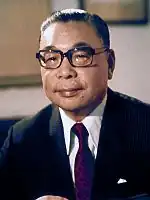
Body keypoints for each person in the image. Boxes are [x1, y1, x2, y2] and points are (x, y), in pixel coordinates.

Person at [0, 8, 150, 200]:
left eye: (80, 56)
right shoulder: (22, 139)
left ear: (110, 64)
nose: (65, 72)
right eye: (52, 58)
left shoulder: (145, 126)